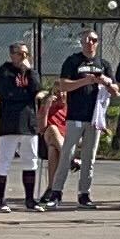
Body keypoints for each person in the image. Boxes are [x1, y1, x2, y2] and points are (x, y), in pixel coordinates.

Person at [50, 30, 108, 210]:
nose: (90, 43)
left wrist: (106, 82)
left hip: (94, 118)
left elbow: (115, 88)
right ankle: (56, 192)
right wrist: (86, 81)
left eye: (94, 40)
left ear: (98, 43)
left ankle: (84, 194)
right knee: (67, 155)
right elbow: (63, 84)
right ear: (81, 42)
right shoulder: (73, 61)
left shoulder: (103, 64)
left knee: (89, 157)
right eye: (86, 40)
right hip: (75, 116)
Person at [0, 43, 42, 211]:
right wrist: (24, 94)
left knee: (30, 161)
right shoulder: (5, 71)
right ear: (12, 55)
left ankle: (30, 200)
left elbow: (37, 89)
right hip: (10, 123)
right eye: (20, 54)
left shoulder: (31, 71)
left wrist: (29, 71)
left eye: (26, 54)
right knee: (4, 161)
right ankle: (1, 201)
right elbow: (6, 93)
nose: (24, 57)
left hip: (28, 123)